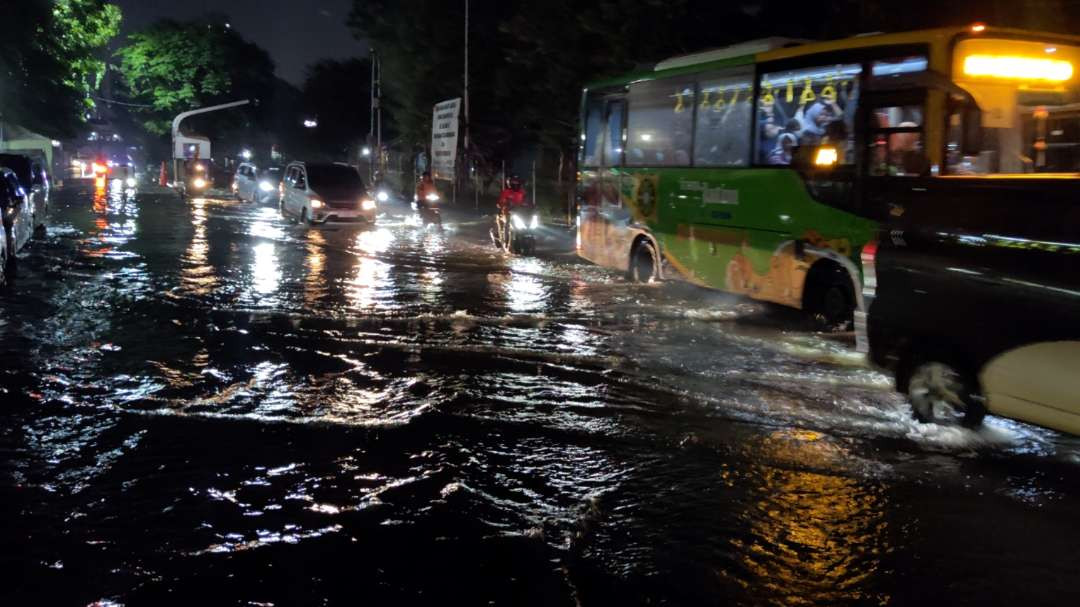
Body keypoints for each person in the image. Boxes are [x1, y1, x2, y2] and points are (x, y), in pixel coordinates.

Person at [494, 175, 528, 247]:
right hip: (507, 213)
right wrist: (505, 204)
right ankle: (505, 240)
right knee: (507, 224)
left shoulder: (522, 192)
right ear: (510, 184)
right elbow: (500, 202)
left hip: (519, 213)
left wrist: (530, 206)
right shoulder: (506, 192)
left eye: (517, 183)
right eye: (514, 183)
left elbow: (526, 202)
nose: (515, 185)